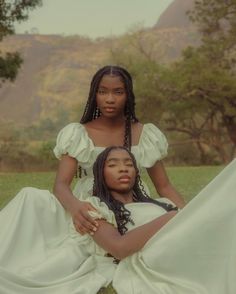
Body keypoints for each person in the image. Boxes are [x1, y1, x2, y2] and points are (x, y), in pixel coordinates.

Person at [53, 65, 185, 236]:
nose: (110, 99)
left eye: (118, 92)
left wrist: (188, 215)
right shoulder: (78, 134)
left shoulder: (145, 134)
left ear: (128, 95)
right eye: (102, 92)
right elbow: (61, 185)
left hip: (135, 204)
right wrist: (76, 208)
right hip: (90, 208)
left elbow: (164, 186)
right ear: (94, 95)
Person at [88, 146, 236, 294]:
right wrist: (170, 218)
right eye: (113, 165)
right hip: (154, 256)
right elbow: (119, 248)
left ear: (136, 172)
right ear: (100, 173)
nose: (123, 169)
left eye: (129, 164)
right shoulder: (96, 208)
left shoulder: (161, 203)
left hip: (182, 245)